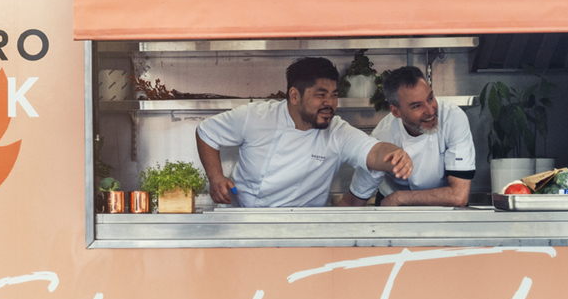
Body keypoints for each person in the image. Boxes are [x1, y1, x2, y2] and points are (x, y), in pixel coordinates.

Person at [195, 56, 407, 209]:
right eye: (320, 95)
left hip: (303, 227)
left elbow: (373, 151)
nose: (330, 103)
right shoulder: (255, 116)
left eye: (334, 95)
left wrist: (395, 155)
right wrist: (216, 177)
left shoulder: (337, 131)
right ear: (294, 96)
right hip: (246, 219)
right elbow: (207, 132)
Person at [344, 65, 476, 208]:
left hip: (443, 206)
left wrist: (399, 198)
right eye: (417, 106)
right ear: (396, 112)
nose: (430, 111)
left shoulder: (453, 118)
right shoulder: (382, 137)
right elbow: (355, 200)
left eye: (430, 98)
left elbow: (459, 197)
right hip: (394, 210)